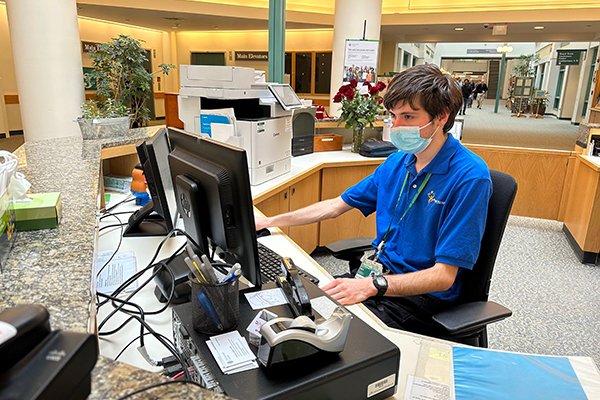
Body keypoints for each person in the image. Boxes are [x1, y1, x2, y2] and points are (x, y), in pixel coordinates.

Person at [255, 64, 491, 336]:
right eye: (392, 116)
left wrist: (371, 286)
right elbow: (335, 206)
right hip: (379, 278)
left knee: (321, 338)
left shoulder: (470, 177)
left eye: (408, 117)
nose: (397, 126)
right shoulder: (397, 162)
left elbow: (443, 276)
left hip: (422, 298)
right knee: (294, 308)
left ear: (441, 117)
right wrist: (269, 220)